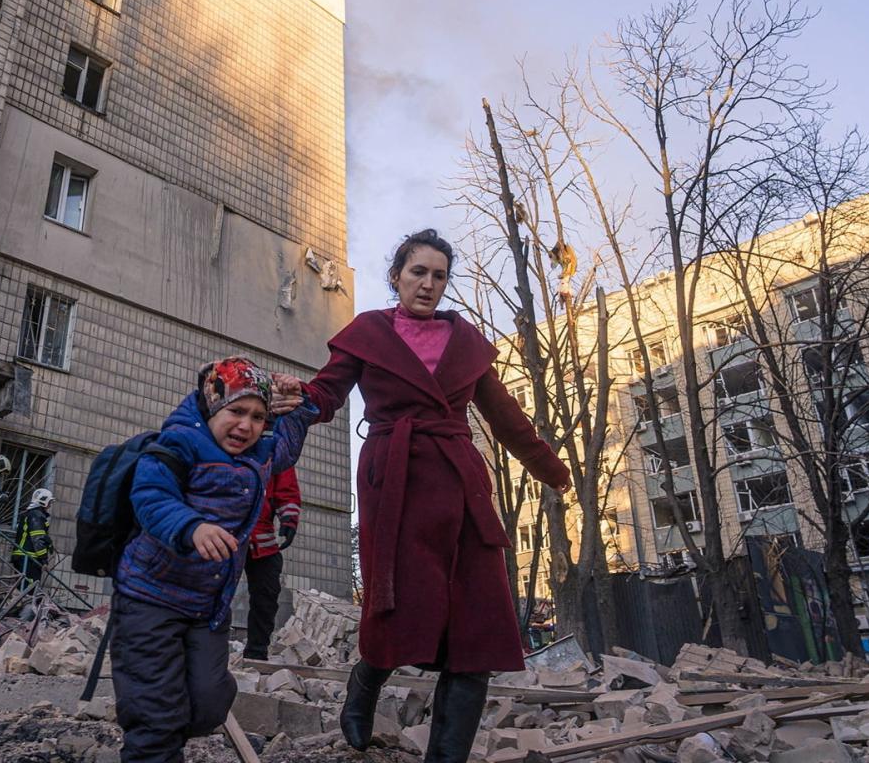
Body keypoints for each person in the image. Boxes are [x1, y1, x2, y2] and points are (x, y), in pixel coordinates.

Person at [283, 229, 570, 763]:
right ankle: (366, 680)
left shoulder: (466, 342)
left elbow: (505, 416)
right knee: (400, 605)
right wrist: (296, 397)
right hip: (395, 485)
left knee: (477, 622)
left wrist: (552, 470)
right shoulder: (369, 332)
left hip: (462, 488)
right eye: (418, 272)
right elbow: (326, 392)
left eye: (439, 276)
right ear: (396, 277)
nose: (428, 284)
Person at [112, 357, 318, 763]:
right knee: (155, 718)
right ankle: (155, 742)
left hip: (207, 609)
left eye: (258, 416)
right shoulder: (178, 443)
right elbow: (151, 496)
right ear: (211, 406)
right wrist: (191, 527)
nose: (246, 425)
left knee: (208, 705)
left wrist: (298, 403)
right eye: (236, 411)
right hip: (148, 600)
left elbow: (286, 449)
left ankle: (167, 725)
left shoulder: (258, 455)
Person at [241, 465, 300, 661]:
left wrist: (289, 519)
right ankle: (208, 654)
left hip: (262, 537)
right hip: (224, 534)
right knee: (214, 595)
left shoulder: (275, 453)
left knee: (267, 594)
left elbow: (286, 487)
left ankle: (256, 654)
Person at [11, 487, 55, 589]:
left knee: (23, 587)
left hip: (23, 556)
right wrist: (44, 559)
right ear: (43, 501)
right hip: (28, 557)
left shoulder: (32, 513)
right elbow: (37, 538)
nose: (50, 505)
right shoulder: (37, 515)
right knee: (29, 588)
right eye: (49, 502)